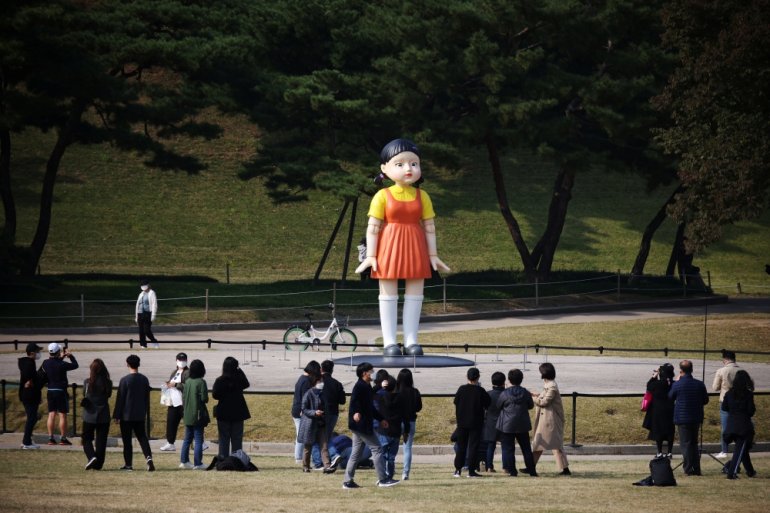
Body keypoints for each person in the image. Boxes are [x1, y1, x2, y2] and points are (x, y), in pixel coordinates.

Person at [354, 138, 450, 356]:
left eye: (414, 164)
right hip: (388, 247)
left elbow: (430, 227)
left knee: (415, 293)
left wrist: (433, 254)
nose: (408, 169)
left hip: (415, 246)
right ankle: (389, 342)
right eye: (400, 164)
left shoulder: (422, 196)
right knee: (388, 293)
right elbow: (373, 227)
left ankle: (411, 340)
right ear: (384, 168)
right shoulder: (382, 195)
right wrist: (370, 256)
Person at [342, 362, 399, 489]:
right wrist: (356, 413)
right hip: (361, 425)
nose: (373, 373)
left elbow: (370, 407)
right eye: (371, 371)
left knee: (356, 454)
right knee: (377, 449)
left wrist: (381, 419)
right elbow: (354, 402)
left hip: (360, 425)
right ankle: (383, 479)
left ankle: (347, 481)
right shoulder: (359, 386)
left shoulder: (366, 386)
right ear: (364, 373)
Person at [112, 354, 154, 471]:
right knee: (142, 438)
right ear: (138, 364)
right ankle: (149, 458)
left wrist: (116, 415)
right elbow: (146, 397)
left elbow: (120, 399)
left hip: (126, 415)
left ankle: (128, 464)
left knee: (127, 441)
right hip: (140, 414)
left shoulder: (125, 380)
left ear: (127, 364)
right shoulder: (144, 379)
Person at [668, 359, 709, 476]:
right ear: (692, 370)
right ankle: (696, 468)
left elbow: (670, 397)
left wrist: (676, 382)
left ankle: (688, 468)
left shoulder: (677, 384)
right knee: (694, 443)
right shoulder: (699, 384)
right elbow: (705, 400)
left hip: (682, 418)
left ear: (681, 371)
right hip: (696, 417)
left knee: (685, 444)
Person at [531, 362, 570, 476]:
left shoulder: (551, 386)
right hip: (548, 419)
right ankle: (565, 469)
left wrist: (532, 398)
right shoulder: (549, 384)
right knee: (552, 445)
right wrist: (537, 395)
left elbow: (544, 402)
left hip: (550, 420)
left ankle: (531, 467)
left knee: (541, 443)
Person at [496, 369, 537, 477]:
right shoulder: (525, 392)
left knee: (508, 449)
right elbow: (530, 405)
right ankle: (532, 470)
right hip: (522, 424)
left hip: (507, 424)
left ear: (509, 380)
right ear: (521, 379)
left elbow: (498, 405)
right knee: (526, 448)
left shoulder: (505, 393)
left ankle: (512, 471)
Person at [452, 367, 491, 478]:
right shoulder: (480, 391)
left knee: (461, 446)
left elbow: (456, 402)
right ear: (478, 377)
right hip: (476, 422)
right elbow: (488, 403)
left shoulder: (461, 389)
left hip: (462, 422)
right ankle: (471, 470)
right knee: (473, 446)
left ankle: (458, 470)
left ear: (467, 377)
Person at [212, 356, 251, 460]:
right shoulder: (239, 380)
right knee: (237, 439)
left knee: (223, 439)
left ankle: (223, 460)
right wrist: (239, 370)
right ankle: (236, 460)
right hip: (238, 413)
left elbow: (215, 395)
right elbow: (247, 384)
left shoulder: (220, 380)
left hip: (223, 412)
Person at [41, 342, 79, 445]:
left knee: (51, 414)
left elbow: (54, 364)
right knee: (62, 415)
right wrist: (70, 356)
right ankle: (63, 438)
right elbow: (75, 365)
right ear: (58, 352)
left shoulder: (45, 363)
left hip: (50, 390)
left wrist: (60, 358)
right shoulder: (62, 364)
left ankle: (51, 438)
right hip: (61, 391)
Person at [722, 370, 756, 479]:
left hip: (731, 424)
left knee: (742, 449)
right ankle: (731, 472)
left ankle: (750, 471)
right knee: (740, 450)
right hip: (744, 425)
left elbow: (724, 407)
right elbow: (751, 411)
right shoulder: (748, 394)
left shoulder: (729, 393)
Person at [298, 372, 335, 473]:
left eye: (322, 380)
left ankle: (327, 466)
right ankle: (305, 466)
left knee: (324, 445)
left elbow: (326, 407)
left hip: (321, 423)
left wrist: (325, 415)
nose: (322, 382)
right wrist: (314, 412)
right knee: (308, 446)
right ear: (315, 382)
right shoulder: (308, 393)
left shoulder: (323, 393)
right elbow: (304, 408)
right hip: (310, 424)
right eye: (320, 380)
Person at [312, 360, 346, 468]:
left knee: (318, 437)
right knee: (327, 435)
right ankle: (326, 459)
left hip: (321, 413)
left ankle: (328, 457)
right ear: (332, 370)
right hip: (334, 413)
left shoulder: (317, 382)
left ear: (321, 369)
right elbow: (342, 401)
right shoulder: (337, 383)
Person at [375, 375, 408, 481]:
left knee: (382, 455)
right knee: (391, 457)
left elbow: (371, 393)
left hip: (384, 430)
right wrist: (406, 431)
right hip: (396, 430)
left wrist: (379, 386)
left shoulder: (381, 397)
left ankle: (383, 476)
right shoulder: (401, 398)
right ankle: (390, 475)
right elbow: (405, 416)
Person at [82, 358, 112, 470]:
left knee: (86, 438)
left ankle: (91, 456)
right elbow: (108, 395)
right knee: (101, 441)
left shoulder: (87, 382)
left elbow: (84, 394)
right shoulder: (108, 383)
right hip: (103, 414)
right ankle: (99, 464)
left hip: (89, 414)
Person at [180, 359, 209, 470]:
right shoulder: (201, 382)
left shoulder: (187, 381)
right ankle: (198, 463)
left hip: (187, 413)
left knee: (187, 439)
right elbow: (204, 399)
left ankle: (184, 461)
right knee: (198, 440)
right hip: (197, 415)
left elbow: (184, 397)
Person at [642, 363, 676, 457]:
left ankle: (659, 452)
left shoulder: (657, 384)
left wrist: (654, 376)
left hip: (658, 410)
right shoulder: (673, 384)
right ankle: (669, 452)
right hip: (670, 409)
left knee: (658, 430)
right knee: (670, 430)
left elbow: (649, 386)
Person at [712, 349, 739, 458]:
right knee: (739, 425)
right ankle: (739, 447)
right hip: (739, 401)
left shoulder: (721, 370)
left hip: (725, 401)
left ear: (725, 359)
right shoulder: (742, 370)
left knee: (725, 426)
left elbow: (715, 387)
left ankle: (724, 450)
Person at [292, 361, 320, 464]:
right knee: (301, 435)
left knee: (300, 433)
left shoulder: (301, 378)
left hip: (296, 409)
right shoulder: (306, 381)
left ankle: (298, 456)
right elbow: (306, 398)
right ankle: (299, 457)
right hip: (300, 411)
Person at [396, 368, 422, 480]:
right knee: (407, 448)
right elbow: (418, 407)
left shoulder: (396, 391)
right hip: (411, 421)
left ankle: (389, 470)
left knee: (392, 446)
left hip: (397, 421)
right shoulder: (414, 391)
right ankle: (405, 473)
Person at [160, 352, 189, 452]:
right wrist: (168, 384)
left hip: (184, 403)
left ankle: (198, 442)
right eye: (180, 360)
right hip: (173, 402)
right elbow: (171, 382)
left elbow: (188, 386)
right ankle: (170, 443)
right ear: (176, 361)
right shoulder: (174, 372)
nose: (182, 362)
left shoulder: (188, 373)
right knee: (171, 422)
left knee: (189, 424)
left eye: (184, 360)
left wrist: (176, 385)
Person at [18, 343, 44, 449]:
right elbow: (30, 378)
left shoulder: (27, 362)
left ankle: (27, 441)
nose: (39, 353)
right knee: (31, 418)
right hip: (30, 396)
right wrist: (30, 382)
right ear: (32, 353)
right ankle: (26, 443)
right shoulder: (29, 363)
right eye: (38, 351)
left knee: (32, 418)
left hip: (29, 395)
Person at [483, 371, 505, 472]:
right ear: (504, 382)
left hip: (490, 422)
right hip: (504, 422)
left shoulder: (488, 394)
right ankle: (506, 467)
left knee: (490, 446)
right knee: (506, 446)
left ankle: (489, 466)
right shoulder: (506, 394)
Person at [134, 279, 159, 348]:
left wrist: (153, 315)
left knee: (146, 330)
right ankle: (143, 344)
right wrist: (136, 316)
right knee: (141, 331)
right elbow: (138, 305)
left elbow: (154, 304)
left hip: (147, 314)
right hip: (140, 313)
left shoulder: (152, 293)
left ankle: (154, 342)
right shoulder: (141, 294)